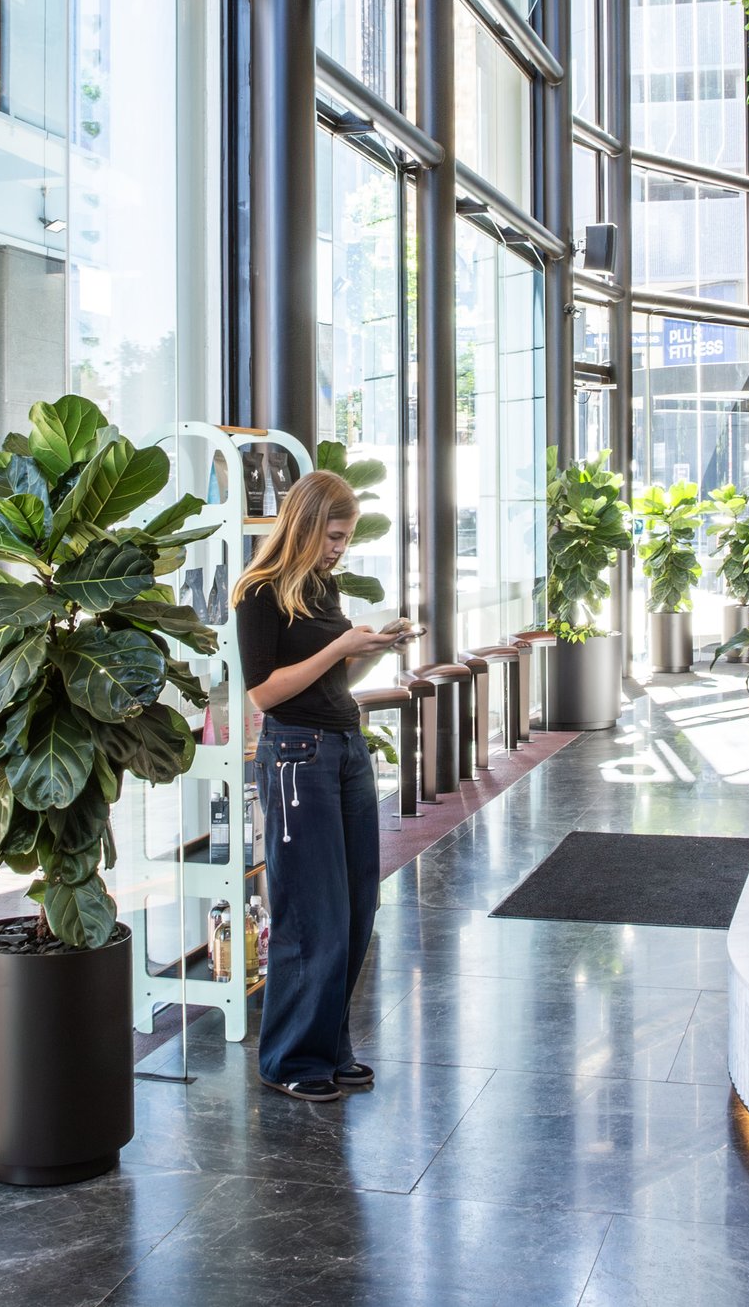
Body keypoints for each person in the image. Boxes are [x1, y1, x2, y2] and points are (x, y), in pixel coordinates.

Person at [233, 470, 412, 1103]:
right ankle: (289, 1057)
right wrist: (340, 646)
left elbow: (334, 673)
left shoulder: (319, 586)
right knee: (313, 912)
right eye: (334, 535)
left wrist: (374, 645)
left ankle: (328, 1048)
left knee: (357, 904)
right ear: (305, 525)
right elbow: (265, 691)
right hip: (296, 754)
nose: (339, 548)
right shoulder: (258, 592)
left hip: (344, 747)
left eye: (346, 538)